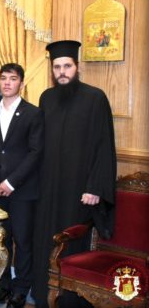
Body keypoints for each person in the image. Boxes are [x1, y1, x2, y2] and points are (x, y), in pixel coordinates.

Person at [32, 40, 117, 308]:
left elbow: (104, 146)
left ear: (76, 66)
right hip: (48, 186)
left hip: (79, 189)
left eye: (67, 66)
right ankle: (43, 294)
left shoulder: (95, 98)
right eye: (57, 67)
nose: (62, 72)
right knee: (46, 239)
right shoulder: (46, 98)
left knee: (71, 241)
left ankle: (70, 301)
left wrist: (95, 187)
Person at [0, 63, 44, 308]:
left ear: (21, 84)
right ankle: (3, 285)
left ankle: (21, 289)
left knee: (23, 241)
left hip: (22, 190)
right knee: (0, 241)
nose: (7, 83)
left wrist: (11, 182)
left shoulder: (33, 113)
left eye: (13, 79)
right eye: (4, 78)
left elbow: (35, 153)